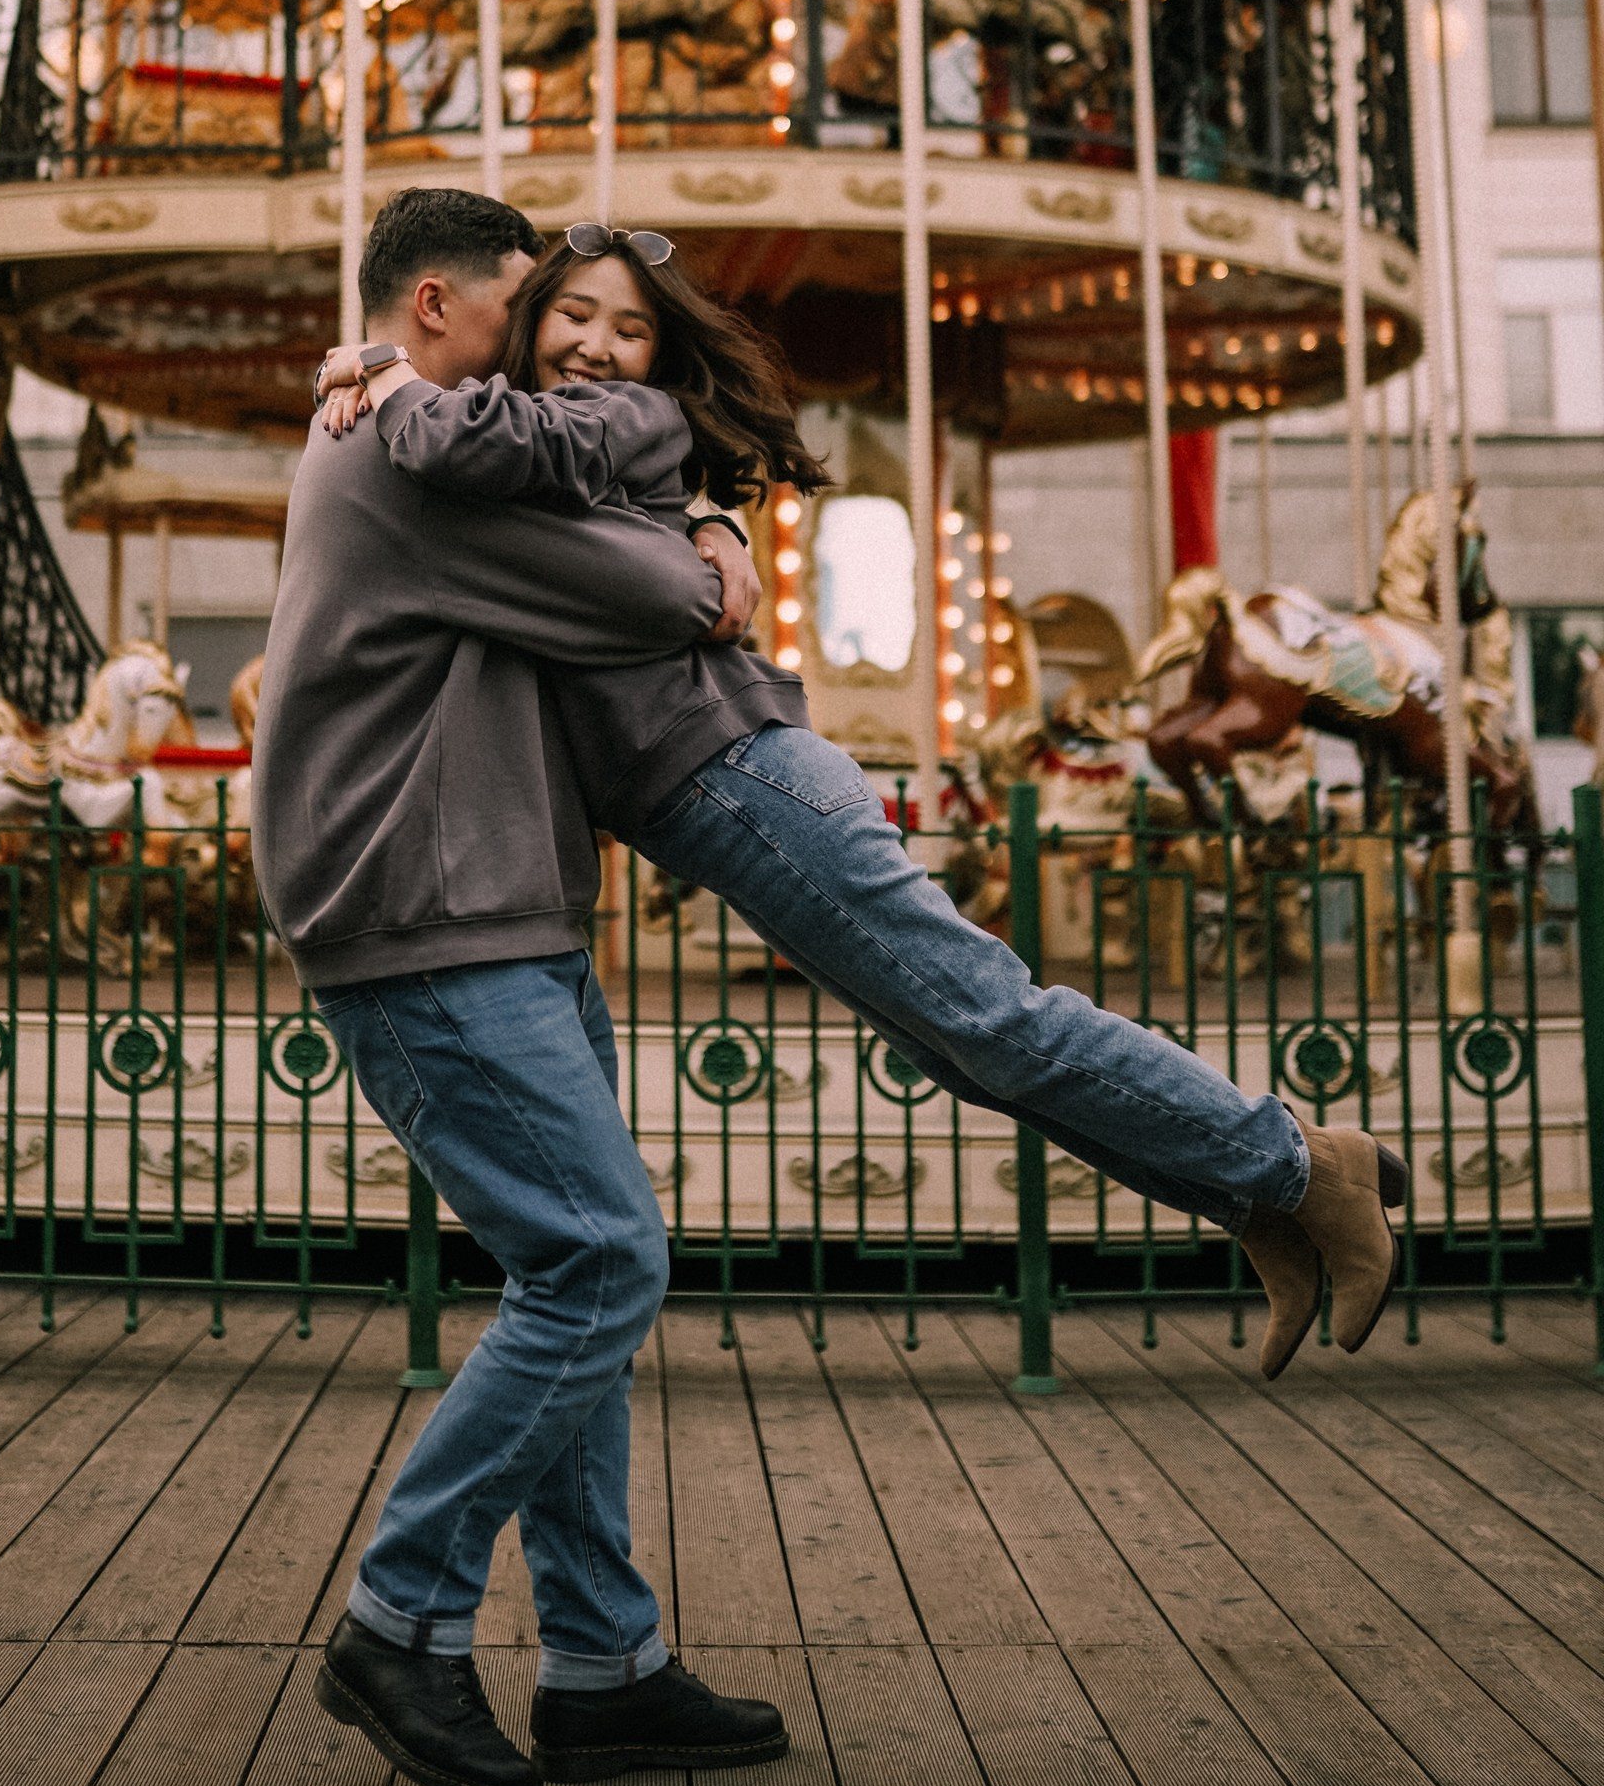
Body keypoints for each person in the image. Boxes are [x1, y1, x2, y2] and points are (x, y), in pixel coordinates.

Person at [313, 218, 1408, 1405]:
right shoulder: (540, 446)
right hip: (712, 794)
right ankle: (1259, 1199)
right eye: (570, 315)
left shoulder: (580, 427)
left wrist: (379, 367)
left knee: (986, 1018)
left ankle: (1302, 1167)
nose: (593, 343)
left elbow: (524, 461)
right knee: (960, 1048)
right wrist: (706, 515)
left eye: (627, 328)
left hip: (744, 777)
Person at [252, 188, 790, 1786]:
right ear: (434, 307)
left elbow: (643, 533)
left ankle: (600, 1662)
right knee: (600, 1262)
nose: (552, 341)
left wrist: (715, 517)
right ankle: (400, 1614)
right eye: (524, 308)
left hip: (496, 901)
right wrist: (709, 553)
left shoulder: (437, 433)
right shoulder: (402, 455)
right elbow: (653, 600)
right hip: (426, 918)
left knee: (571, 1270)